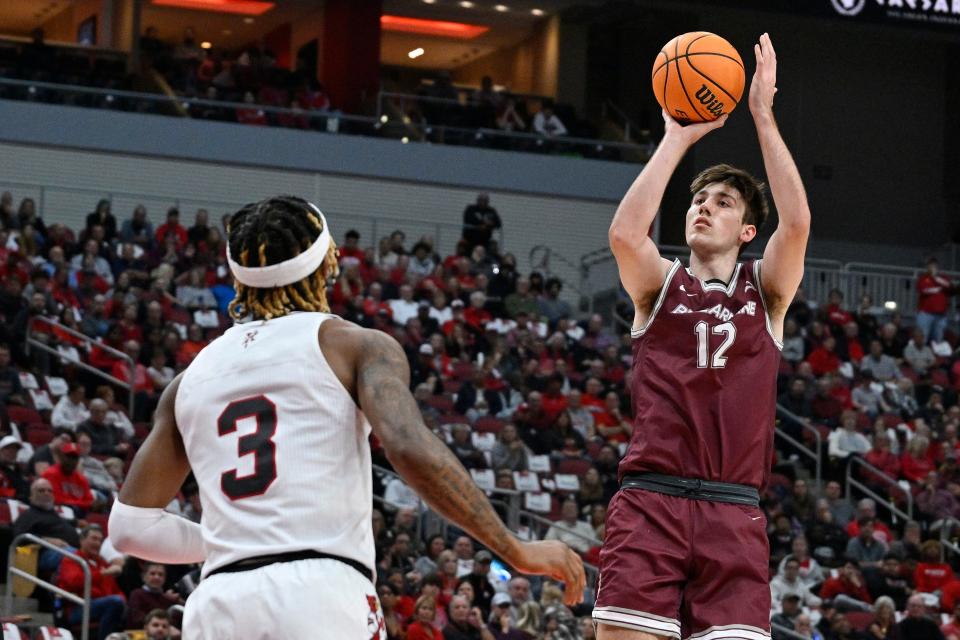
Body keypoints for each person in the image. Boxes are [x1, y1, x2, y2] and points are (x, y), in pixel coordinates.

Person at [109, 196, 584, 639]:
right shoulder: (355, 345)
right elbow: (407, 446)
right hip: (321, 591)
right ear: (327, 261)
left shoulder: (187, 382)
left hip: (218, 603)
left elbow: (129, 528)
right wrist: (514, 548)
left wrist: (232, 541)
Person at [593, 34, 810, 640]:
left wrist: (762, 114)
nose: (702, 208)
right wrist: (677, 137)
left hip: (734, 513)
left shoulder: (764, 294)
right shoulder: (659, 287)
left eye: (722, 202)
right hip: (650, 504)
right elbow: (624, 235)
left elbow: (796, 224)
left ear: (746, 231)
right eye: (698, 199)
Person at [56, 525, 126, 640]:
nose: (97, 543)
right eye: (94, 538)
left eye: (100, 540)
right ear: (82, 540)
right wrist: (103, 574)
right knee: (115, 602)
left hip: (101, 605)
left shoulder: (102, 562)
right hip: (78, 607)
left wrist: (124, 600)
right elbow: (74, 582)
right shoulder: (71, 559)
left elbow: (115, 590)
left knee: (125, 605)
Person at [11, 478, 81, 575]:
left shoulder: (53, 515)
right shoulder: (27, 516)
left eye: (49, 491)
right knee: (77, 558)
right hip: (40, 554)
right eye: (41, 490)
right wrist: (47, 540)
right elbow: (19, 540)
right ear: (31, 496)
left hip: (69, 549)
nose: (46, 493)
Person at [126, 563, 183, 629]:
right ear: (144, 577)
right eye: (152, 574)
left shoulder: (168, 599)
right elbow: (136, 619)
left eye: (160, 574)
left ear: (164, 579)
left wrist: (178, 601)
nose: (156, 577)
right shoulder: (136, 594)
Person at [916, 257, 955, 344]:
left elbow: (950, 287)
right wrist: (937, 289)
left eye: (934, 265)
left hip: (941, 315)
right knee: (923, 338)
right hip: (926, 314)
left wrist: (936, 278)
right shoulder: (923, 278)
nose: (933, 267)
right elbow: (922, 290)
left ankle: (936, 357)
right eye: (930, 265)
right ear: (927, 267)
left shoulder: (944, 277)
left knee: (938, 340)